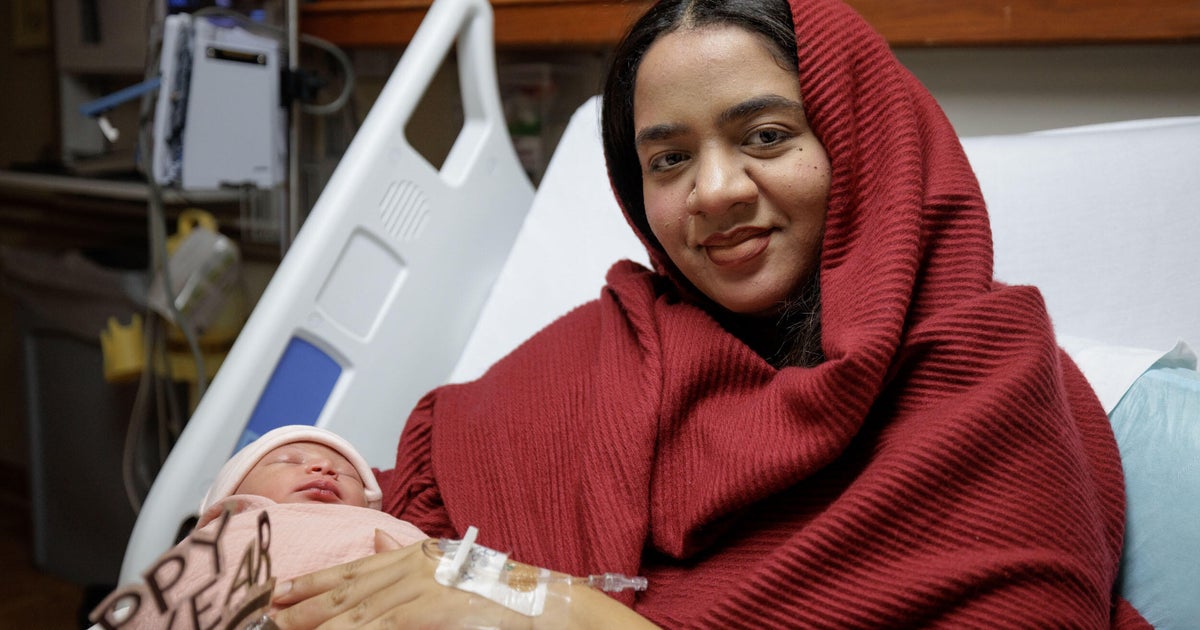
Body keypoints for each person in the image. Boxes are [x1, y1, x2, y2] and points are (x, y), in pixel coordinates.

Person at [269, 0, 1149, 627]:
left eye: (766, 136)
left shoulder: (984, 390)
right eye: (670, 159)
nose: (715, 191)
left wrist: (568, 615)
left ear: (860, 143)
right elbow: (373, 535)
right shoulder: (599, 358)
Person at [89, 426, 427, 628]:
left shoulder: (381, 527)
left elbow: (441, 569)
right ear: (231, 497)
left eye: (348, 473)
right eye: (290, 461)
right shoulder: (221, 539)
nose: (324, 467)